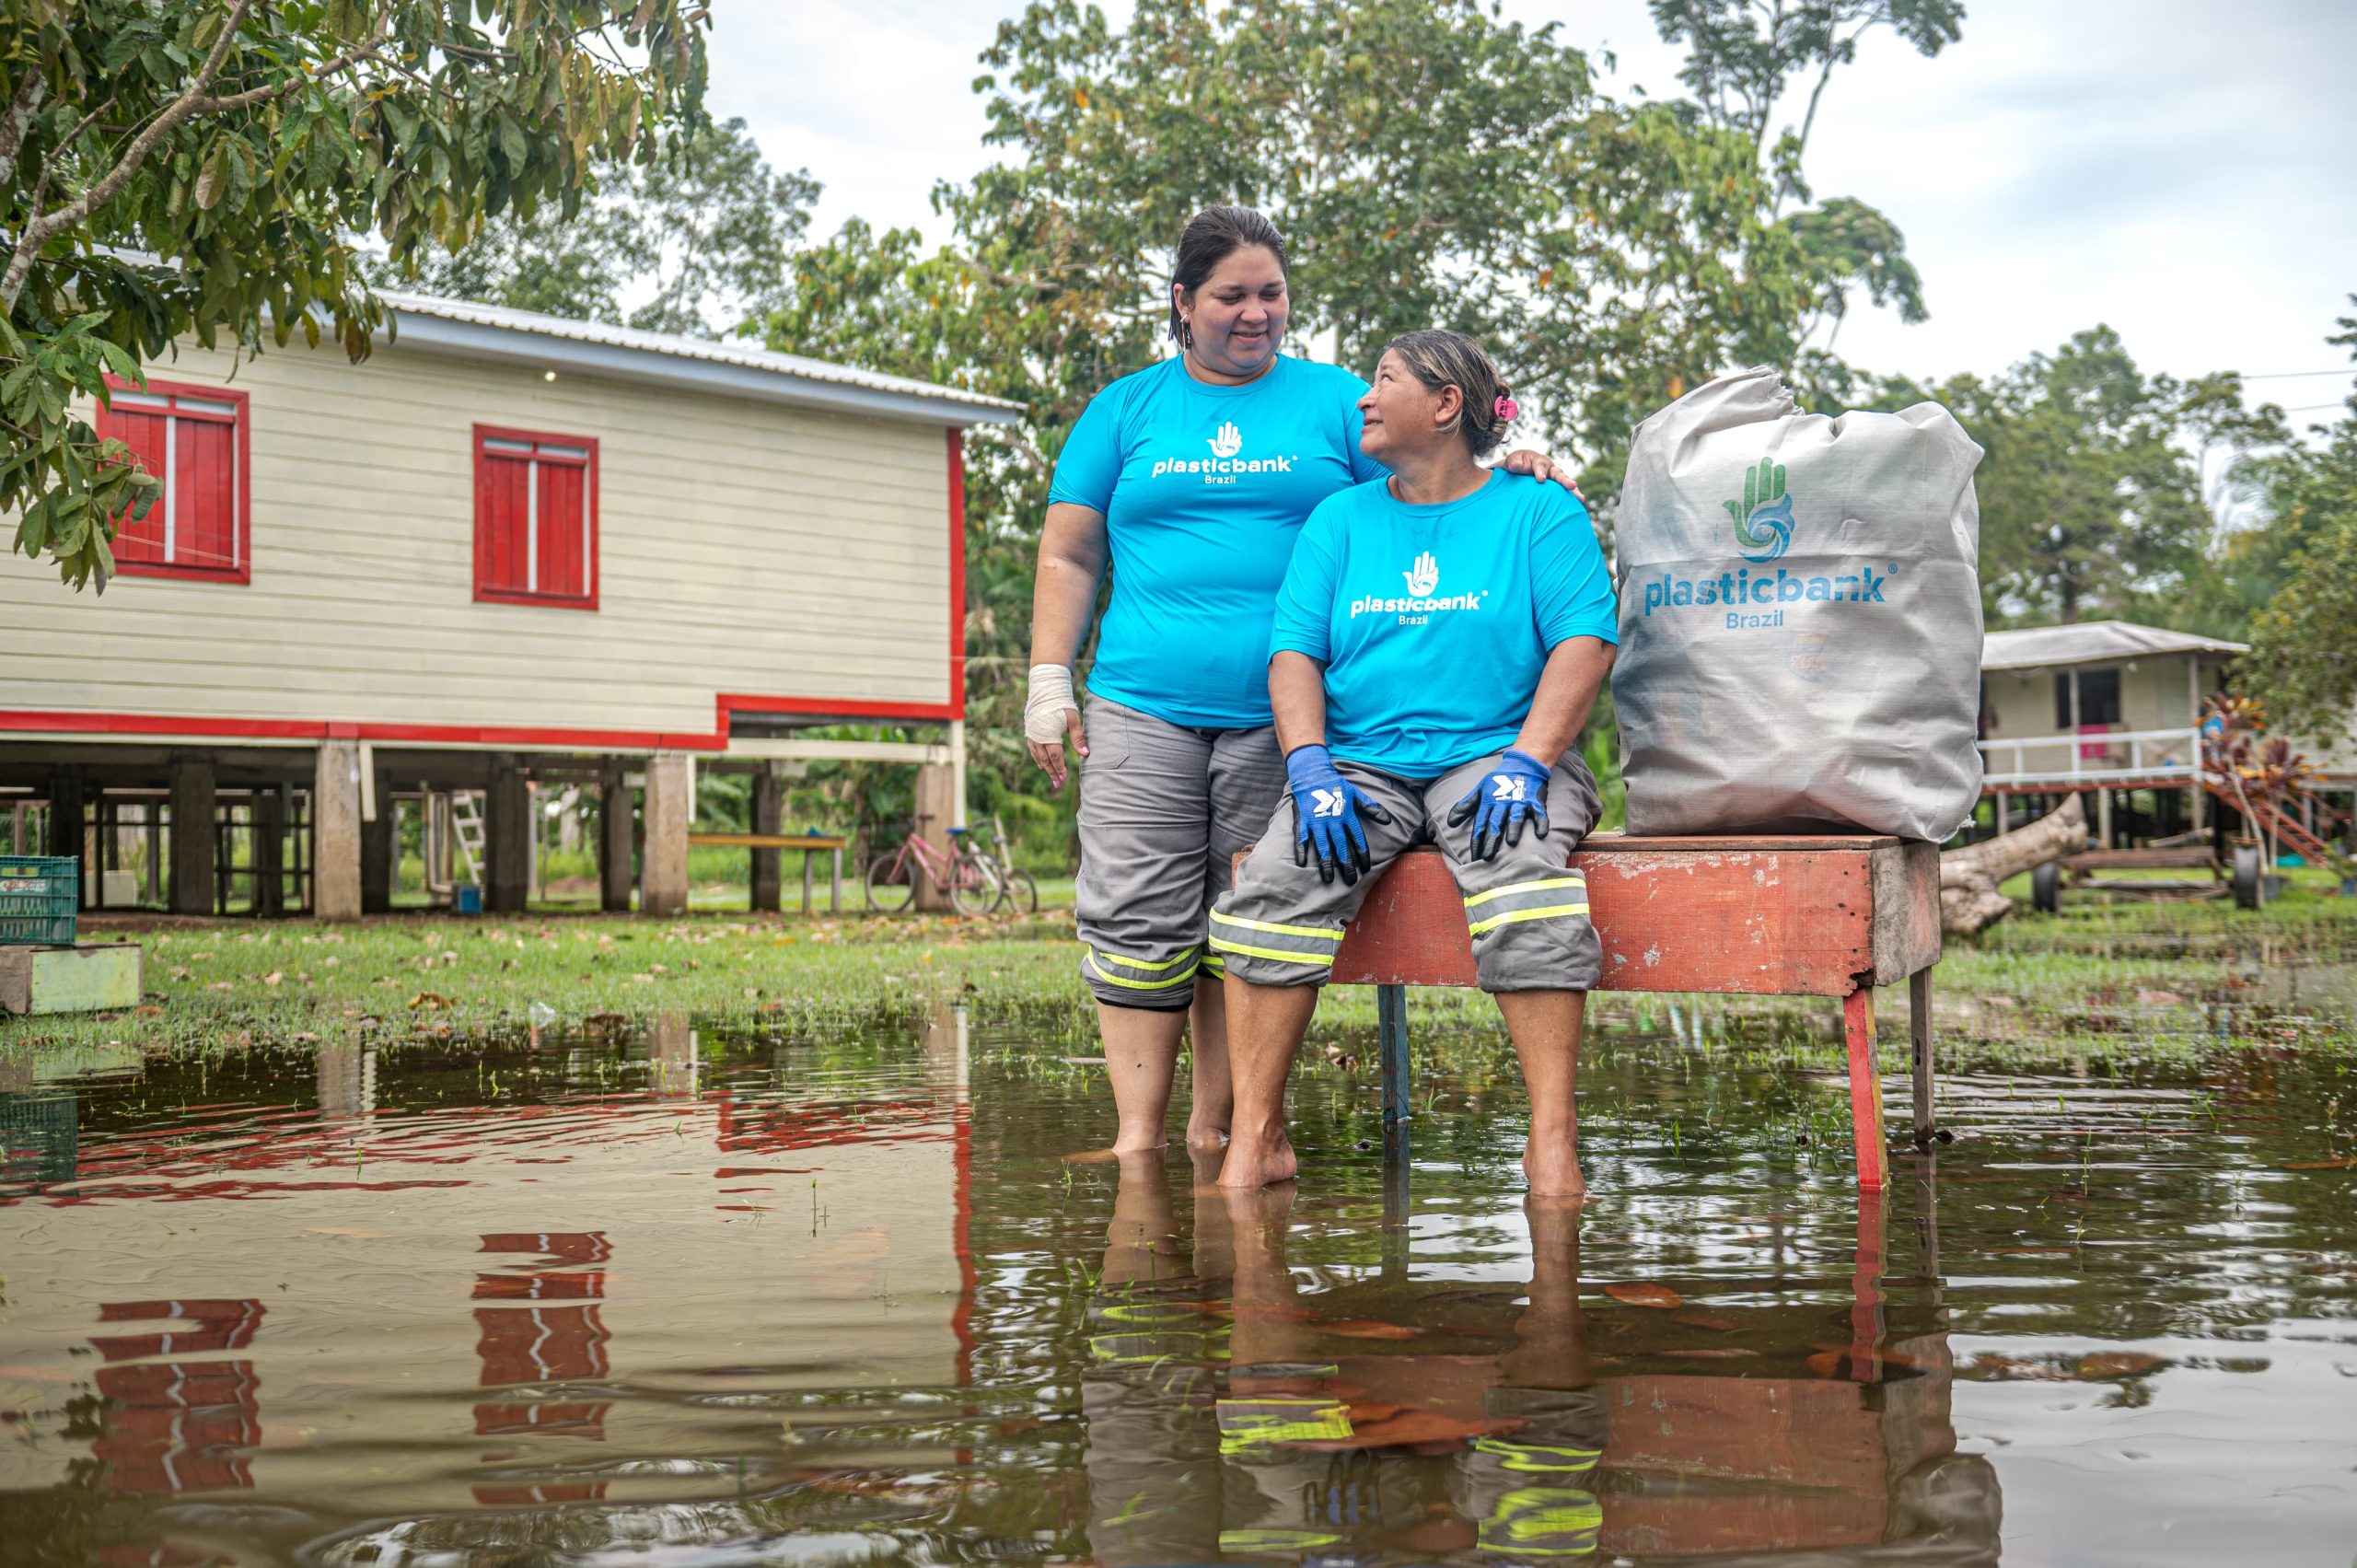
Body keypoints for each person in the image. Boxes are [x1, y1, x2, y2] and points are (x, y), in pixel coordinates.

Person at [1026, 207, 1584, 1155]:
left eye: (1270, 293)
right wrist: (1049, 677)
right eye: (1230, 296)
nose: (1254, 313)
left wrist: (1515, 459)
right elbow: (1071, 554)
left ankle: (1225, 1126)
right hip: (1142, 698)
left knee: (1242, 904)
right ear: (1181, 303)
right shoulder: (1126, 409)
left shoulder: (1331, 399)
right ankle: (1136, 1138)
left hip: (1303, 723)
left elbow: (1432, 470)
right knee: (1133, 908)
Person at [1211, 329, 1618, 1197]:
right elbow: (1294, 655)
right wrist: (1310, 767)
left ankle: (1551, 1141)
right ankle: (1259, 1138)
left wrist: (1529, 761)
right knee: (1274, 882)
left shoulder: (1538, 509)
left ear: (1445, 405)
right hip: (1361, 767)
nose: (1364, 396)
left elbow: (1585, 641)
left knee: (1521, 867)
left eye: (1384, 379)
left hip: (1499, 757)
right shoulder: (1340, 520)